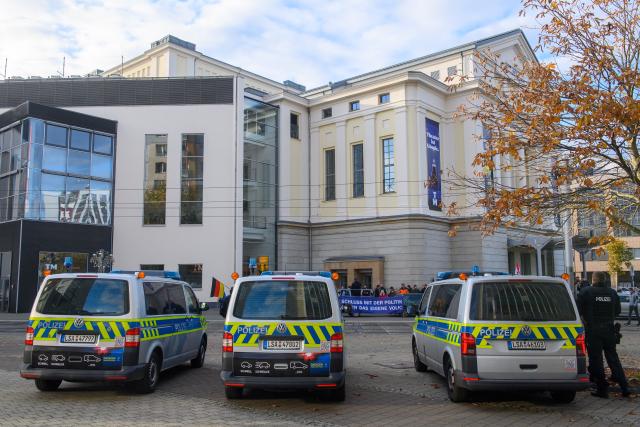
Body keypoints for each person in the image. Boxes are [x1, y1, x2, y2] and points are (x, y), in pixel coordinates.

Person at [577, 271, 630, 398]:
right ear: (604, 280)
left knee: (596, 359)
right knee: (613, 358)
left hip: (593, 330)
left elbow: (578, 310)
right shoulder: (612, 292)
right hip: (609, 329)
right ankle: (624, 387)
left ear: (593, 279)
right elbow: (617, 311)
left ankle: (602, 388)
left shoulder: (586, 292)